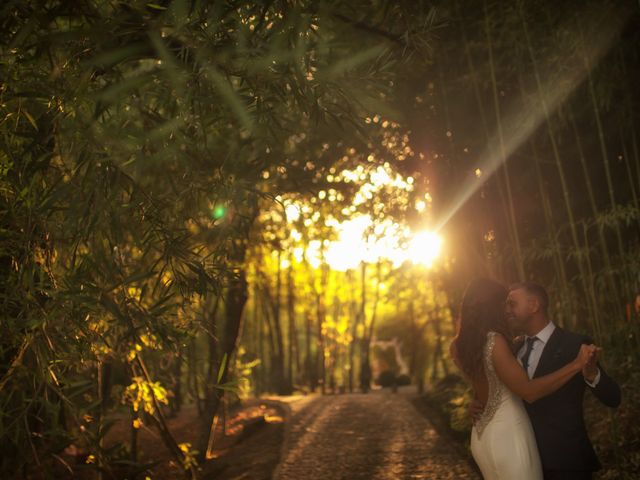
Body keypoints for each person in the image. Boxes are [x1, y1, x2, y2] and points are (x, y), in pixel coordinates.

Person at [450, 278, 599, 480]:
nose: (508, 309)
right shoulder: (495, 341)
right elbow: (529, 391)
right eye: (505, 303)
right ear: (494, 305)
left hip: (482, 436)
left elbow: (485, 380)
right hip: (508, 435)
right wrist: (576, 365)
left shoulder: (458, 346)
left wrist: (476, 401)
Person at [500, 282, 620, 479]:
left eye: (512, 304)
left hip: (567, 462)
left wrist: (591, 374)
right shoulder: (513, 348)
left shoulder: (574, 344)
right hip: (524, 460)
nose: (507, 310)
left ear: (533, 305)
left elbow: (614, 397)